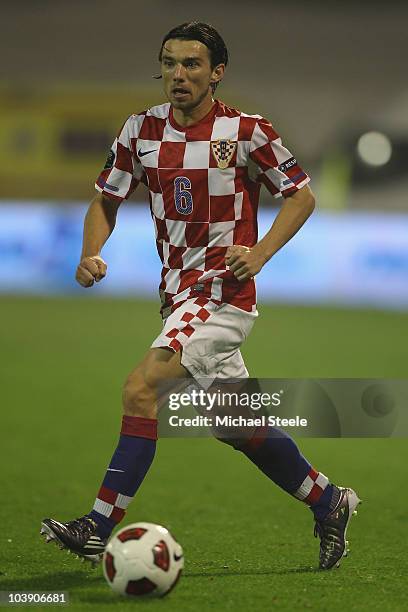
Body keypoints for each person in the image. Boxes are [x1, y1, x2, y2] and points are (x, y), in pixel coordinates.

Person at [41, 21, 360, 570]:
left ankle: (97, 526)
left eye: (191, 65)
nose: (177, 75)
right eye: (168, 63)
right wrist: (90, 253)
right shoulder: (140, 129)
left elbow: (300, 198)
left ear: (217, 73)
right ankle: (329, 501)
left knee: (141, 389)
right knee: (236, 424)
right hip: (176, 296)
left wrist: (257, 254)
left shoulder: (247, 131)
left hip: (221, 295)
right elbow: (105, 200)